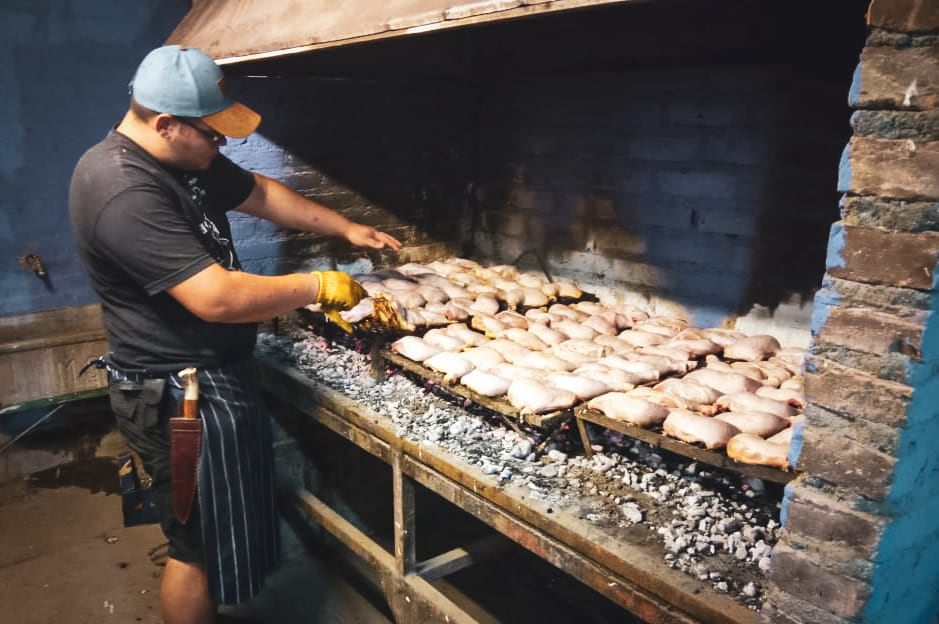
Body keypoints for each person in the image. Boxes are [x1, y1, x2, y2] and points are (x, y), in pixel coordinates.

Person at [69, 45, 401, 624]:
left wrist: (347, 227)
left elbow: (259, 193)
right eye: (213, 135)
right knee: (194, 546)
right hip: (175, 393)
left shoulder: (183, 158)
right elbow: (216, 298)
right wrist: (318, 286)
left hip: (212, 374)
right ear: (166, 125)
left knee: (219, 530)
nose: (224, 144)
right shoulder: (120, 187)